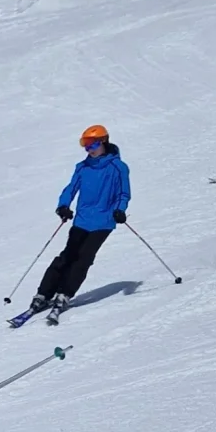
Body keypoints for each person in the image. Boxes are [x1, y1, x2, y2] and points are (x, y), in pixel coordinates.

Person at [26, 124, 132, 322]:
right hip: (82, 220)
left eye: (92, 145)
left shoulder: (118, 167)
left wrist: (120, 210)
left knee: (83, 258)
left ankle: (65, 294)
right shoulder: (82, 168)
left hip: (103, 222)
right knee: (66, 257)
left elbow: (124, 193)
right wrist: (63, 205)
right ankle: (43, 294)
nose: (88, 149)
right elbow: (71, 188)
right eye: (85, 145)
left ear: (103, 142)